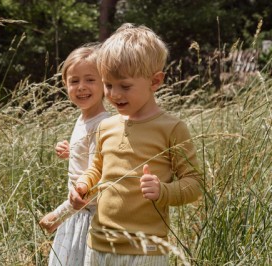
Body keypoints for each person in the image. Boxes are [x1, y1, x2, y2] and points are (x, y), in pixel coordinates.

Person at [70, 23, 203, 265]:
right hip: (99, 244)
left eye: (125, 86)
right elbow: (97, 169)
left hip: (146, 251)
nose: (114, 94)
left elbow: (194, 184)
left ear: (155, 81)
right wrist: (83, 185)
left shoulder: (171, 129)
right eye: (108, 85)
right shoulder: (106, 126)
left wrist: (164, 191)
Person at [39, 43, 110, 266]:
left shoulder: (103, 124)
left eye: (90, 79)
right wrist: (72, 152)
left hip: (88, 217)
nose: (81, 87)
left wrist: (57, 216)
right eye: (74, 81)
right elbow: (88, 160)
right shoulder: (83, 118)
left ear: (105, 83)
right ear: (65, 84)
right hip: (76, 214)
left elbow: (94, 182)